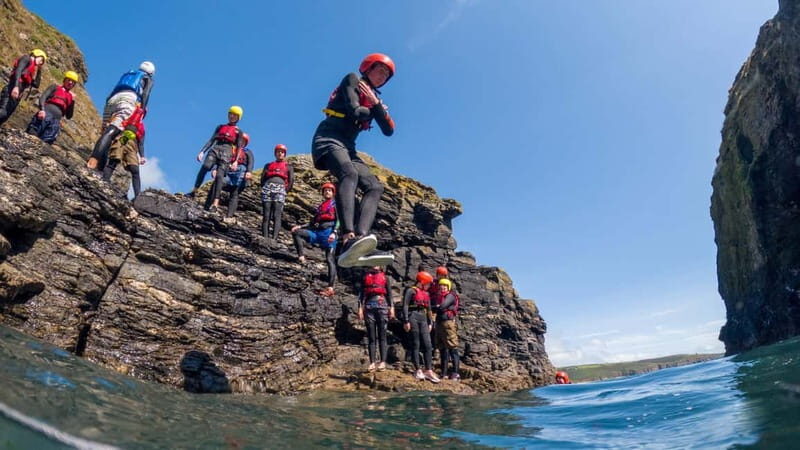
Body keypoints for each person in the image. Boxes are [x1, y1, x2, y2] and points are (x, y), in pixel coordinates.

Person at [312, 53, 396, 267]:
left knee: (374, 186)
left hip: (349, 147)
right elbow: (355, 111)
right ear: (368, 68)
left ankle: (361, 240)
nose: (382, 76)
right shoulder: (352, 80)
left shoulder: (375, 98)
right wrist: (377, 109)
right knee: (349, 173)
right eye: (380, 70)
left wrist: (377, 106)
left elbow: (389, 130)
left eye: (386, 75)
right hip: (328, 137)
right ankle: (347, 237)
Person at [87, 61, 155, 170]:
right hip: (128, 99)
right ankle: (93, 161)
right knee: (113, 130)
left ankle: (99, 168)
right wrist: (141, 110)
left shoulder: (129, 74)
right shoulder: (147, 78)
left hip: (112, 100)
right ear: (151, 72)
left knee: (106, 134)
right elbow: (145, 94)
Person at [189, 106, 246, 211]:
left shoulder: (239, 132)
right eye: (230, 114)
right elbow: (211, 140)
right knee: (206, 166)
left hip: (227, 152)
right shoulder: (220, 127)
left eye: (234, 115)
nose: (232, 116)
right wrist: (202, 151)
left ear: (238, 117)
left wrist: (235, 161)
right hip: (216, 148)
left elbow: (238, 147)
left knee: (220, 176)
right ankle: (194, 191)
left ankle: (215, 203)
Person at [291, 182, 338, 297]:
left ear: (333, 192)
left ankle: (330, 287)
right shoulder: (321, 207)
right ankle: (301, 257)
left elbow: (340, 220)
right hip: (317, 233)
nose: (327, 192)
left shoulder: (336, 205)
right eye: (325, 190)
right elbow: (313, 222)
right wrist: (300, 226)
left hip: (329, 234)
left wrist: (334, 232)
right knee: (297, 233)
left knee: (329, 259)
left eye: (329, 190)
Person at [101, 106, 146, 199]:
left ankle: (138, 196)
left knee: (135, 170)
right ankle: (104, 182)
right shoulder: (128, 116)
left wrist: (142, 156)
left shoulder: (142, 128)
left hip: (133, 145)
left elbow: (141, 143)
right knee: (114, 160)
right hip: (122, 138)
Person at [402, 271, 440, 383]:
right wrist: (406, 321)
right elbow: (405, 305)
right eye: (428, 284)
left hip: (423, 318)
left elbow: (428, 309)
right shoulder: (410, 291)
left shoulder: (426, 294)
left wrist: (430, 323)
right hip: (413, 316)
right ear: (422, 282)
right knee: (416, 344)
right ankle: (417, 370)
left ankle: (428, 370)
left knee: (428, 345)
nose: (429, 286)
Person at [357, 266, 395, 371]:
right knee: (371, 337)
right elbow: (361, 295)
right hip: (369, 307)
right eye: (373, 263)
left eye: (377, 263)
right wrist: (360, 308)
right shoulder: (365, 277)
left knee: (382, 335)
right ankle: (372, 362)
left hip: (382, 306)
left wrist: (392, 308)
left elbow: (390, 295)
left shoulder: (385, 278)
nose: (375, 265)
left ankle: (383, 362)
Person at [25, 71, 77, 144]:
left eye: (73, 82)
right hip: (46, 114)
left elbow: (69, 116)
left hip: (55, 121)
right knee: (32, 133)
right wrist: (42, 110)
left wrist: (72, 102)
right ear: (65, 80)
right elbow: (43, 97)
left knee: (46, 142)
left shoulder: (71, 97)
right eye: (69, 80)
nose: (70, 83)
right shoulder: (54, 87)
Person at [0, 49, 47, 126]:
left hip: (17, 96)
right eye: (41, 60)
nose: (41, 63)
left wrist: (39, 71)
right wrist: (15, 87)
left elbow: (36, 84)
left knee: (5, 117)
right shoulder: (26, 58)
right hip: (12, 89)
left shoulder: (32, 69)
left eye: (42, 62)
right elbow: (18, 71)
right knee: (3, 112)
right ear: (36, 55)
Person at [260, 144, 294, 240]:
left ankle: (274, 238)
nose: (280, 153)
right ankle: (265, 237)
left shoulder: (288, 166)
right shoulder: (268, 165)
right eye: (278, 152)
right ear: (275, 153)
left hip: (280, 189)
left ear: (284, 154)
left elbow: (291, 181)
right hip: (268, 188)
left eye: (282, 152)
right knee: (266, 214)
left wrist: (284, 190)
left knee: (277, 215)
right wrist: (265, 187)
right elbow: (262, 179)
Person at [219, 132, 254, 219]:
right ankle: (212, 205)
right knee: (219, 184)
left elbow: (250, 162)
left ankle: (229, 215)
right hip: (228, 171)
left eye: (243, 141)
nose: (241, 142)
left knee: (234, 194)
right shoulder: (230, 149)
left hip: (240, 173)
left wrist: (249, 172)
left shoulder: (247, 152)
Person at [434, 278, 461, 381]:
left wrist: (437, 307)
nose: (442, 287)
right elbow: (438, 307)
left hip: (448, 324)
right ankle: (444, 373)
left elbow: (442, 307)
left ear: (448, 287)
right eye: (441, 286)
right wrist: (437, 307)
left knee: (452, 348)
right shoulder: (439, 297)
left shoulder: (450, 296)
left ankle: (455, 373)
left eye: (445, 286)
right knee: (442, 349)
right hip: (440, 324)